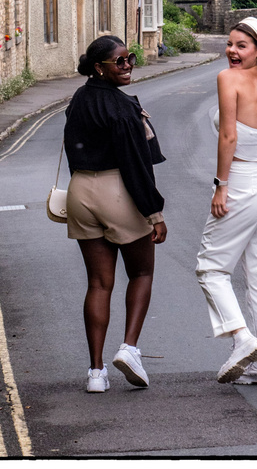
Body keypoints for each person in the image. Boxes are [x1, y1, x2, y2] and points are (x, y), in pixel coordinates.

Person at [64, 36, 167, 393]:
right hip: (116, 191)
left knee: (98, 283)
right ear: (98, 68)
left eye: (130, 59)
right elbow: (136, 166)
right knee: (141, 271)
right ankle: (129, 349)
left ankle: (96, 373)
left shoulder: (78, 99)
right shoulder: (122, 108)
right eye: (118, 62)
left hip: (80, 192)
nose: (127, 66)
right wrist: (155, 213)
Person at [196, 17, 257, 386]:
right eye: (230, 44)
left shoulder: (228, 79)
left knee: (211, 269)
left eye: (242, 46)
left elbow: (229, 138)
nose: (232, 51)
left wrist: (221, 186)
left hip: (244, 182)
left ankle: (243, 339)